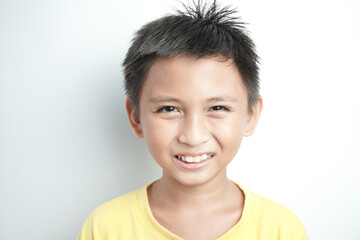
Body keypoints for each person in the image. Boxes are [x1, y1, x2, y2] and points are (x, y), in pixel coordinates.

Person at [77, 1, 308, 239]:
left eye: (217, 107)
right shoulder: (106, 227)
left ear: (250, 115)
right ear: (135, 117)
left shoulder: (281, 228)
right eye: (169, 109)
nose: (193, 136)